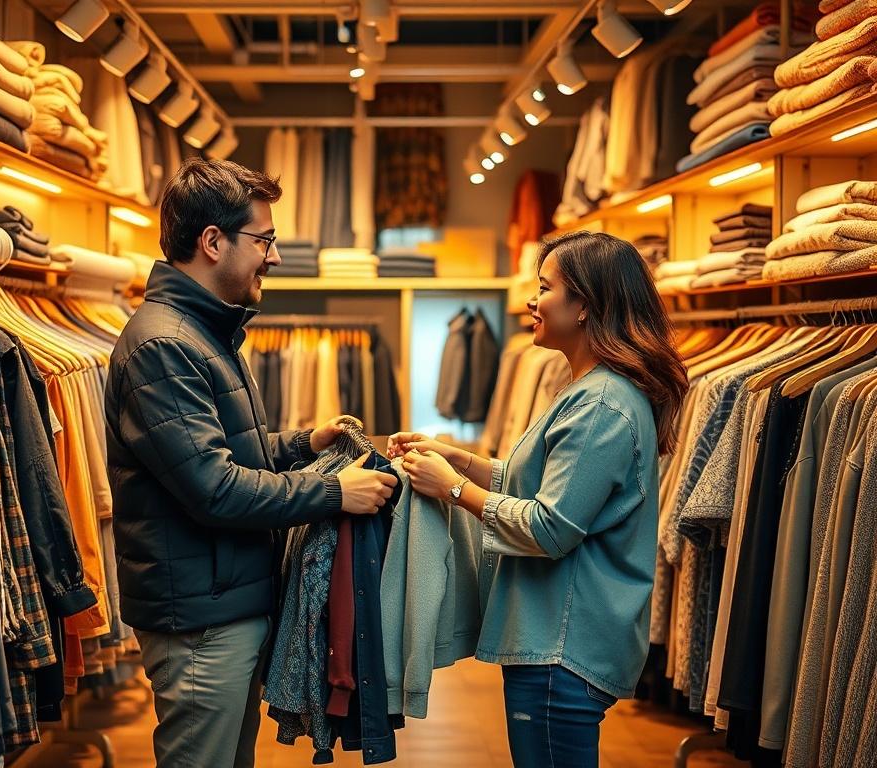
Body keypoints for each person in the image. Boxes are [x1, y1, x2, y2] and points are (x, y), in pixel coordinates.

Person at [105, 158, 398, 768]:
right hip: (199, 618)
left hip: (218, 603)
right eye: (264, 240)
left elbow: (226, 450)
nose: (275, 256)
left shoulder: (205, 333)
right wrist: (333, 493)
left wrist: (303, 444)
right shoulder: (166, 344)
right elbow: (214, 488)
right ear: (213, 242)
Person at [388, 231, 688, 768]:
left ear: (585, 307)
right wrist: (457, 459)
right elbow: (544, 485)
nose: (532, 300)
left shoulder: (601, 404)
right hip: (554, 639)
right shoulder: (589, 389)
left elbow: (552, 526)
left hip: (561, 647)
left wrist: (454, 490)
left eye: (545, 287)